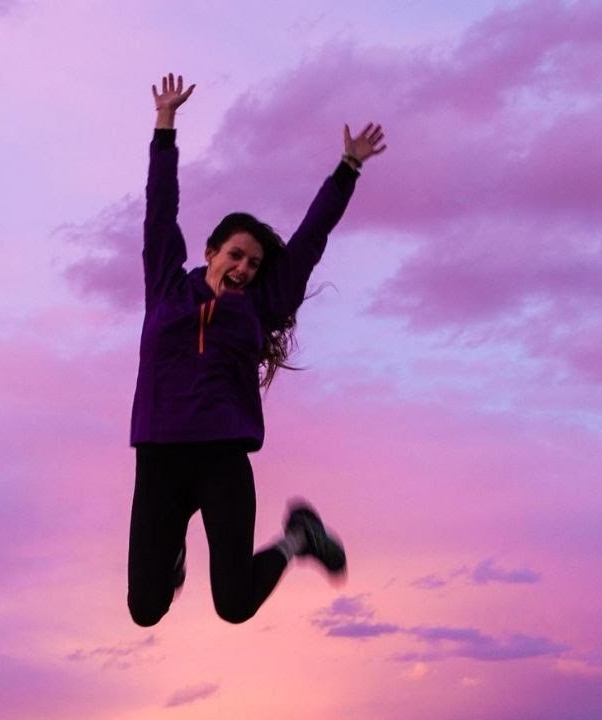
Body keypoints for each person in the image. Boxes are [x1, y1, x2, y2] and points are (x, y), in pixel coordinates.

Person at [127, 73, 386, 626]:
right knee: (145, 610)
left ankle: (298, 539)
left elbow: (310, 239)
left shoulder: (260, 306)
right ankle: (172, 554)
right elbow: (159, 209)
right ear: (211, 252)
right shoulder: (166, 288)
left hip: (222, 457)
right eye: (236, 255)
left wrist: (348, 169)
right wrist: (165, 125)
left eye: (253, 263)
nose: (244, 268)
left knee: (234, 605)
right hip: (159, 457)